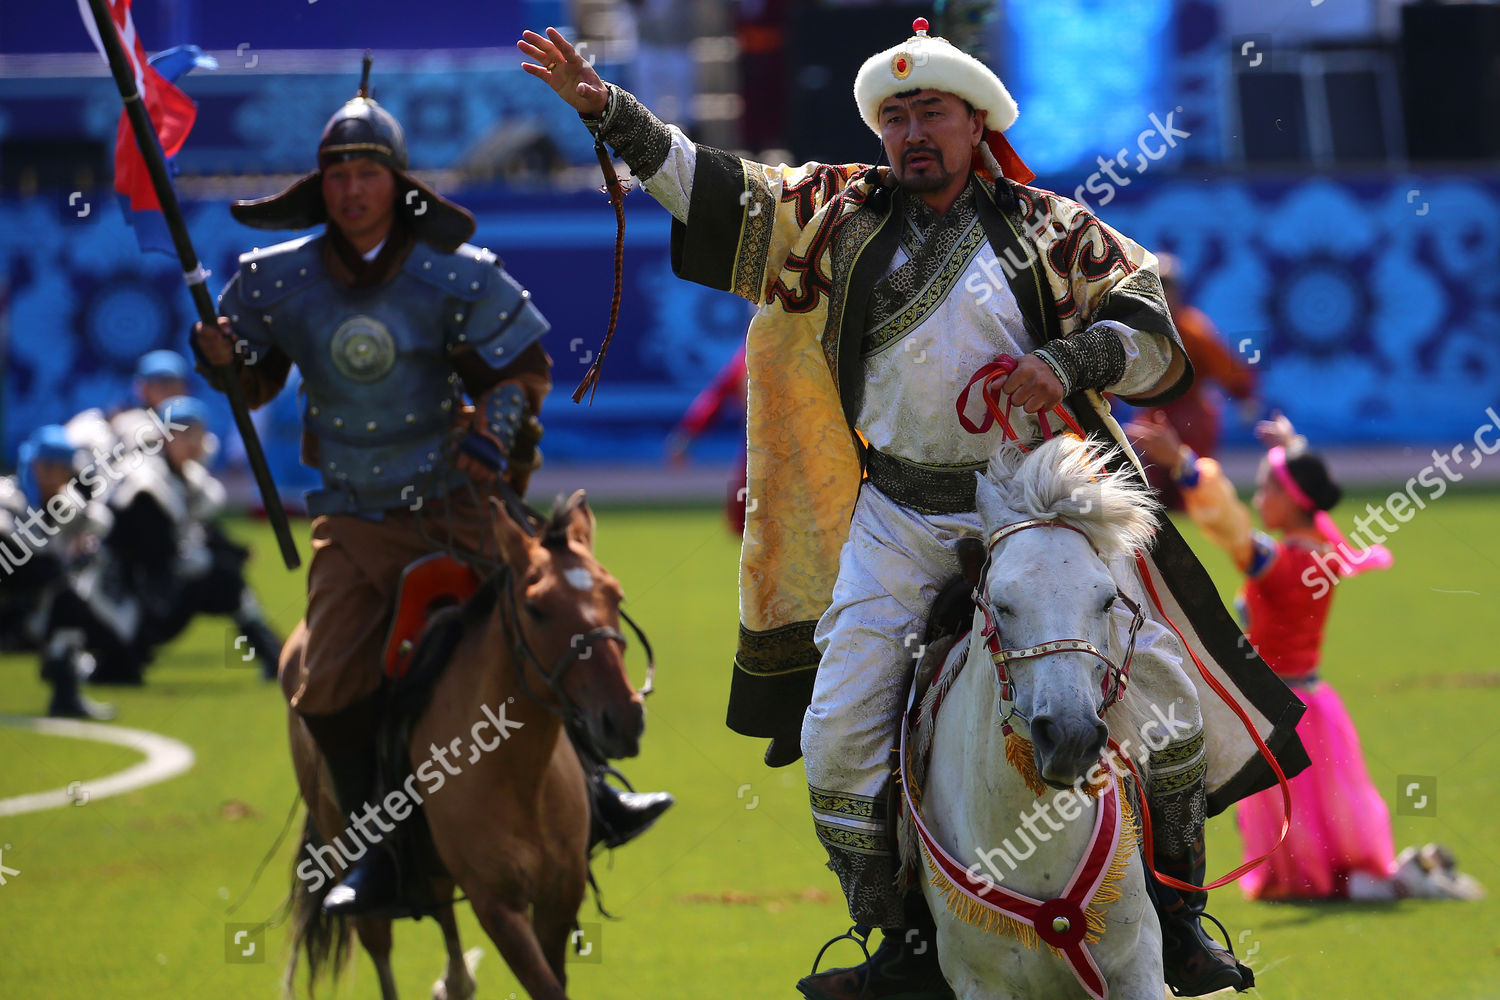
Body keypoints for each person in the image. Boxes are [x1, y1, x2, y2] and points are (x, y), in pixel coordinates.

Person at [520, 20, 1307, 999]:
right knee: (837, 730)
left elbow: (1149, 332)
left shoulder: (1048, 227)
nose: (910, 133)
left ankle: (1179, 919)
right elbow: (708, 184)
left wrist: (1067, 360)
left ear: (977, 122)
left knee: (1168, 698)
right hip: (897, 513)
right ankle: (897, 943)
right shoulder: (832, 212)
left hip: (1038, 505)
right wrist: (608, 110)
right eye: (895, 117)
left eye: (931, 112)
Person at [190, 60, 672, 917]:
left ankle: (597, 793)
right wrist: (226, 363)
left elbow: (522, 369)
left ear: (398, 184)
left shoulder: (457, 273)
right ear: (320, 184)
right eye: (336, 174)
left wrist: (494, 428)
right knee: (326, 688)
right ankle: (373, 850)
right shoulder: (273, 280)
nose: (351, 189)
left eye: (367, 172)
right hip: (352, 519)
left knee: (553, 627)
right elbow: (254, 382)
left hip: (461, 506)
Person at [1131, 410, 1483, 903]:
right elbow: (1286, 511)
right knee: (1323, 836)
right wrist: (1293, 447)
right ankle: (1400, 874)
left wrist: (1186, 466)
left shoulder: (1284, 563)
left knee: (1309, 857)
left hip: (1286, 712)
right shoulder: (1319, 549)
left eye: (1267, 489)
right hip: (1312, 705)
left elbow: (1229, 528)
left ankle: (1398, 878)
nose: (1258, 500)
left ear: (1292, 500)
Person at [107, 396, 282, 681]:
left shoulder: (191, 478)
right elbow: (151, 554)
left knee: (227, 583)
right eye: (182, 432)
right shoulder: (143, 483)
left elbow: (202, 531)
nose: (192, 441)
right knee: (116, 672)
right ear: (162, 438)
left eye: (197, 432)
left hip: (162, 587)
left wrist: (229, 553)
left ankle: (275, 657)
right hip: (122, 597)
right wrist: (203, 557)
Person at [0, 425, 141, 719]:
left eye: (64, 470)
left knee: (71, 607)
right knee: (64, 593)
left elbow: (98, 527)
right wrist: (62, 567)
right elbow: (20, 567)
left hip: (23, 609)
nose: (58, 477)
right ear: (37, 465)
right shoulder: (7, 502)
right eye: (51, 468)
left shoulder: (59, 506)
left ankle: (65, 694)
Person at [1131, 255, 1256, 510]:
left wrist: (1244, 395)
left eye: (1168, 286)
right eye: (1157, 285)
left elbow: (1227, 367)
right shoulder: (1135, 328)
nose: (1163, 293)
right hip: (1156, 416)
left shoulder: (1193, 328)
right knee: (1152, 500)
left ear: (1178, 291)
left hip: (1192, 418)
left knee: (1194, 496)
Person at [665, 343, 747, 533]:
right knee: (744, 521)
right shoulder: (749, 357)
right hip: (762, 452)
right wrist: (686, 436)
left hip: (806, 450)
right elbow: (716, 398)